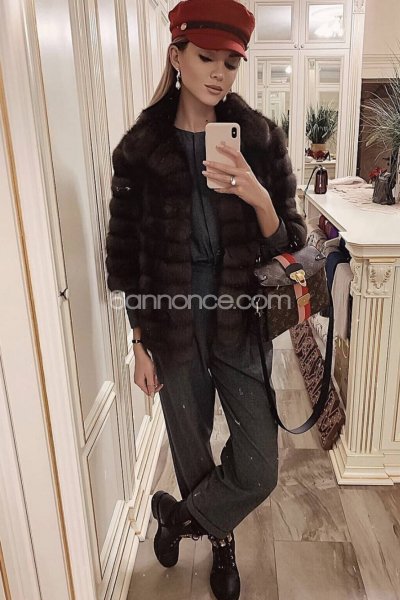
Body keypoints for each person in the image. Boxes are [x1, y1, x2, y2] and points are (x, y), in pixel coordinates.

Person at [105, 1, 307, 598]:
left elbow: (290, 242)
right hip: (171, 321)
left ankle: (177, 517)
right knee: (191, 445)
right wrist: (139, 343)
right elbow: (128, 259)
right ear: (177, 56)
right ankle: (222, 545)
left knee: (259, 465)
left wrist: (257, 195)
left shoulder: (260, 141)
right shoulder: (139, 150)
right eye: (206, 58)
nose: (220, 73)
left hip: (239, 312)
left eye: (231, 63)